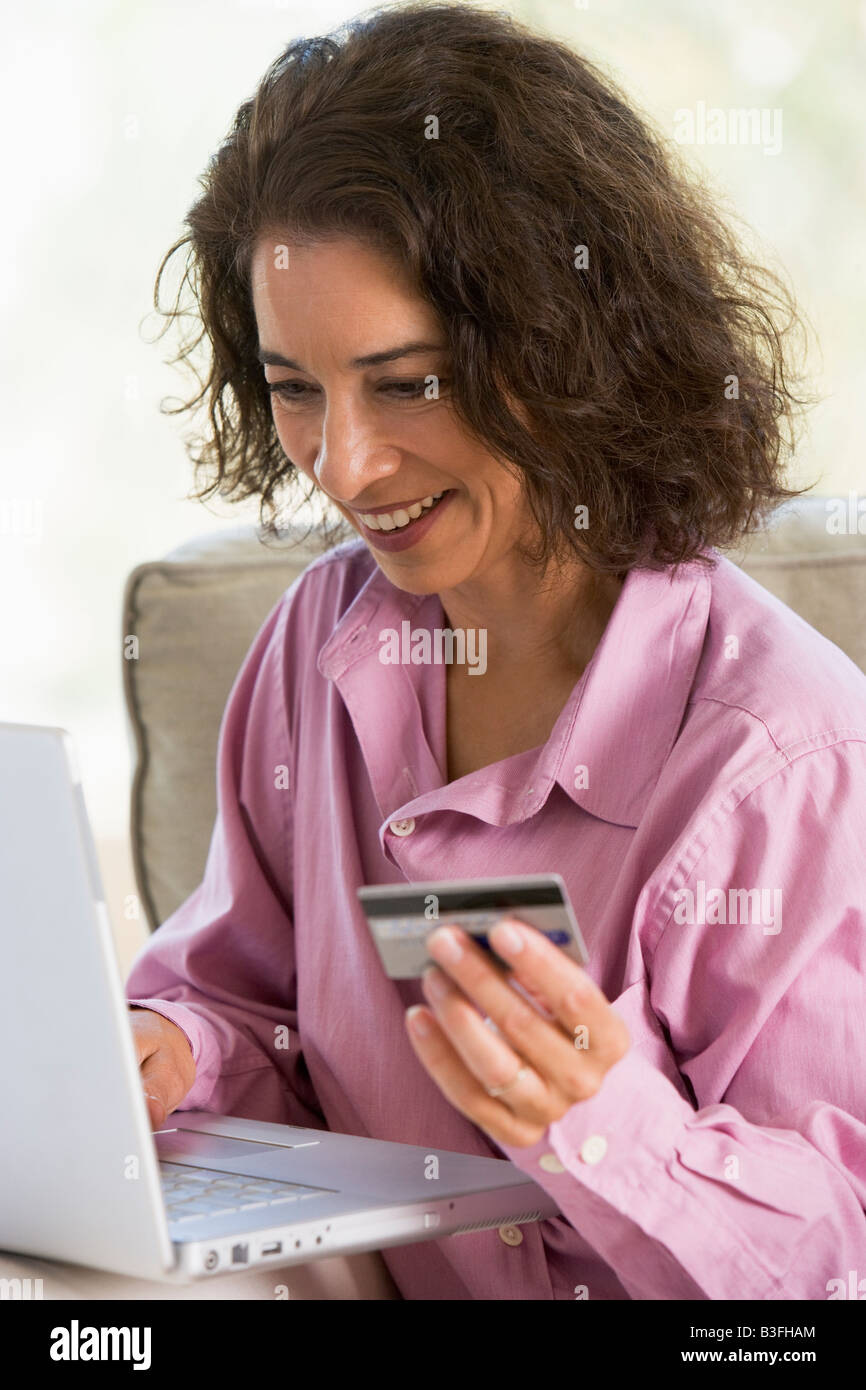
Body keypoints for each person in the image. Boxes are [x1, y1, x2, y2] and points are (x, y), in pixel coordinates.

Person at [126, 2, 866, 1299]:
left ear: (561, 347)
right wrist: (170, 1046)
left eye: (405, 381)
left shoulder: (785, 762)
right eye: (295, 385)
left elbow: (839, 1250)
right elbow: (250, 1006)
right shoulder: (317, 647)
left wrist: (602, 1121)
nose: (342, 465)